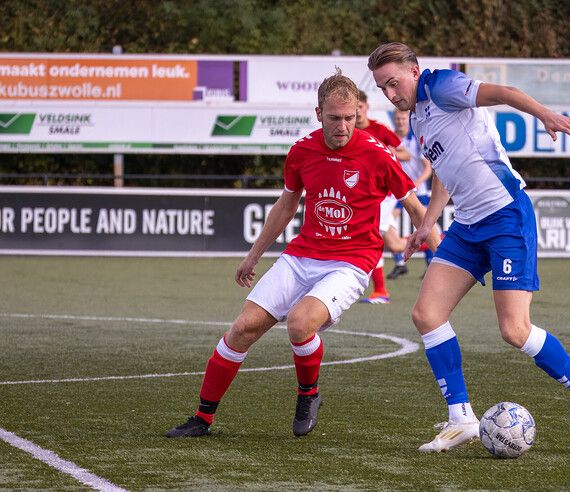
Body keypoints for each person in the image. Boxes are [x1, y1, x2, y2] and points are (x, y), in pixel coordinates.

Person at [368, 42, 570, 452]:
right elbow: (447, 168)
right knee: (427, 314)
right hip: (467, 224)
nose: (391, 95)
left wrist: (545, 114)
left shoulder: (442, 85)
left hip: (504, 216)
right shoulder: (418, 115)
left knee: (514, 330)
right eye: (382, 88)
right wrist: (428, 221)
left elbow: (502, 93)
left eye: (393, 83)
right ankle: (460, 418)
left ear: (414, 70)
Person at [166, 68, 437, 439]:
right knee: (242, 328)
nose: (342, 126)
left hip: (350, 264)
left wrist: (442, 258)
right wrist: (253, 255)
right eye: (334, 118)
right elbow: (285, 206)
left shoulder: (378, 155)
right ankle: (202, 417)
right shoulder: (301, 151)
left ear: (357, 115)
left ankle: (308, 394)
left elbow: (417, 208)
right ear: (318, 114)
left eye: (349, 118)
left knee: (299, 322)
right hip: (301, 257)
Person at [355, 90, 411, 304]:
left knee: (373, 236)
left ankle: (380, 291)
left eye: (360, 106)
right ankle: (441, 240)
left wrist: (389, 153)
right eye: (354, 107)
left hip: (384, 195)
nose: (358, 111)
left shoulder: (379, 129)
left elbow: (405, 154)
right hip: (365, 195)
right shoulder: (348, 132)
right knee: (396, 245)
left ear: (367, 107)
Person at [386, 109, 434, 280]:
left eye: (403, 118)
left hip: (418, 192)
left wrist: (417, 182)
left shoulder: (416, 139)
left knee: (424, 228)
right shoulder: (390, 139)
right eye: (397, 118)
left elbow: (428, 168)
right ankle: (400, 263)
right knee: (386, 225)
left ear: (408, 119)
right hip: (398, 192)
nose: (400, 121)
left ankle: (432, 265)